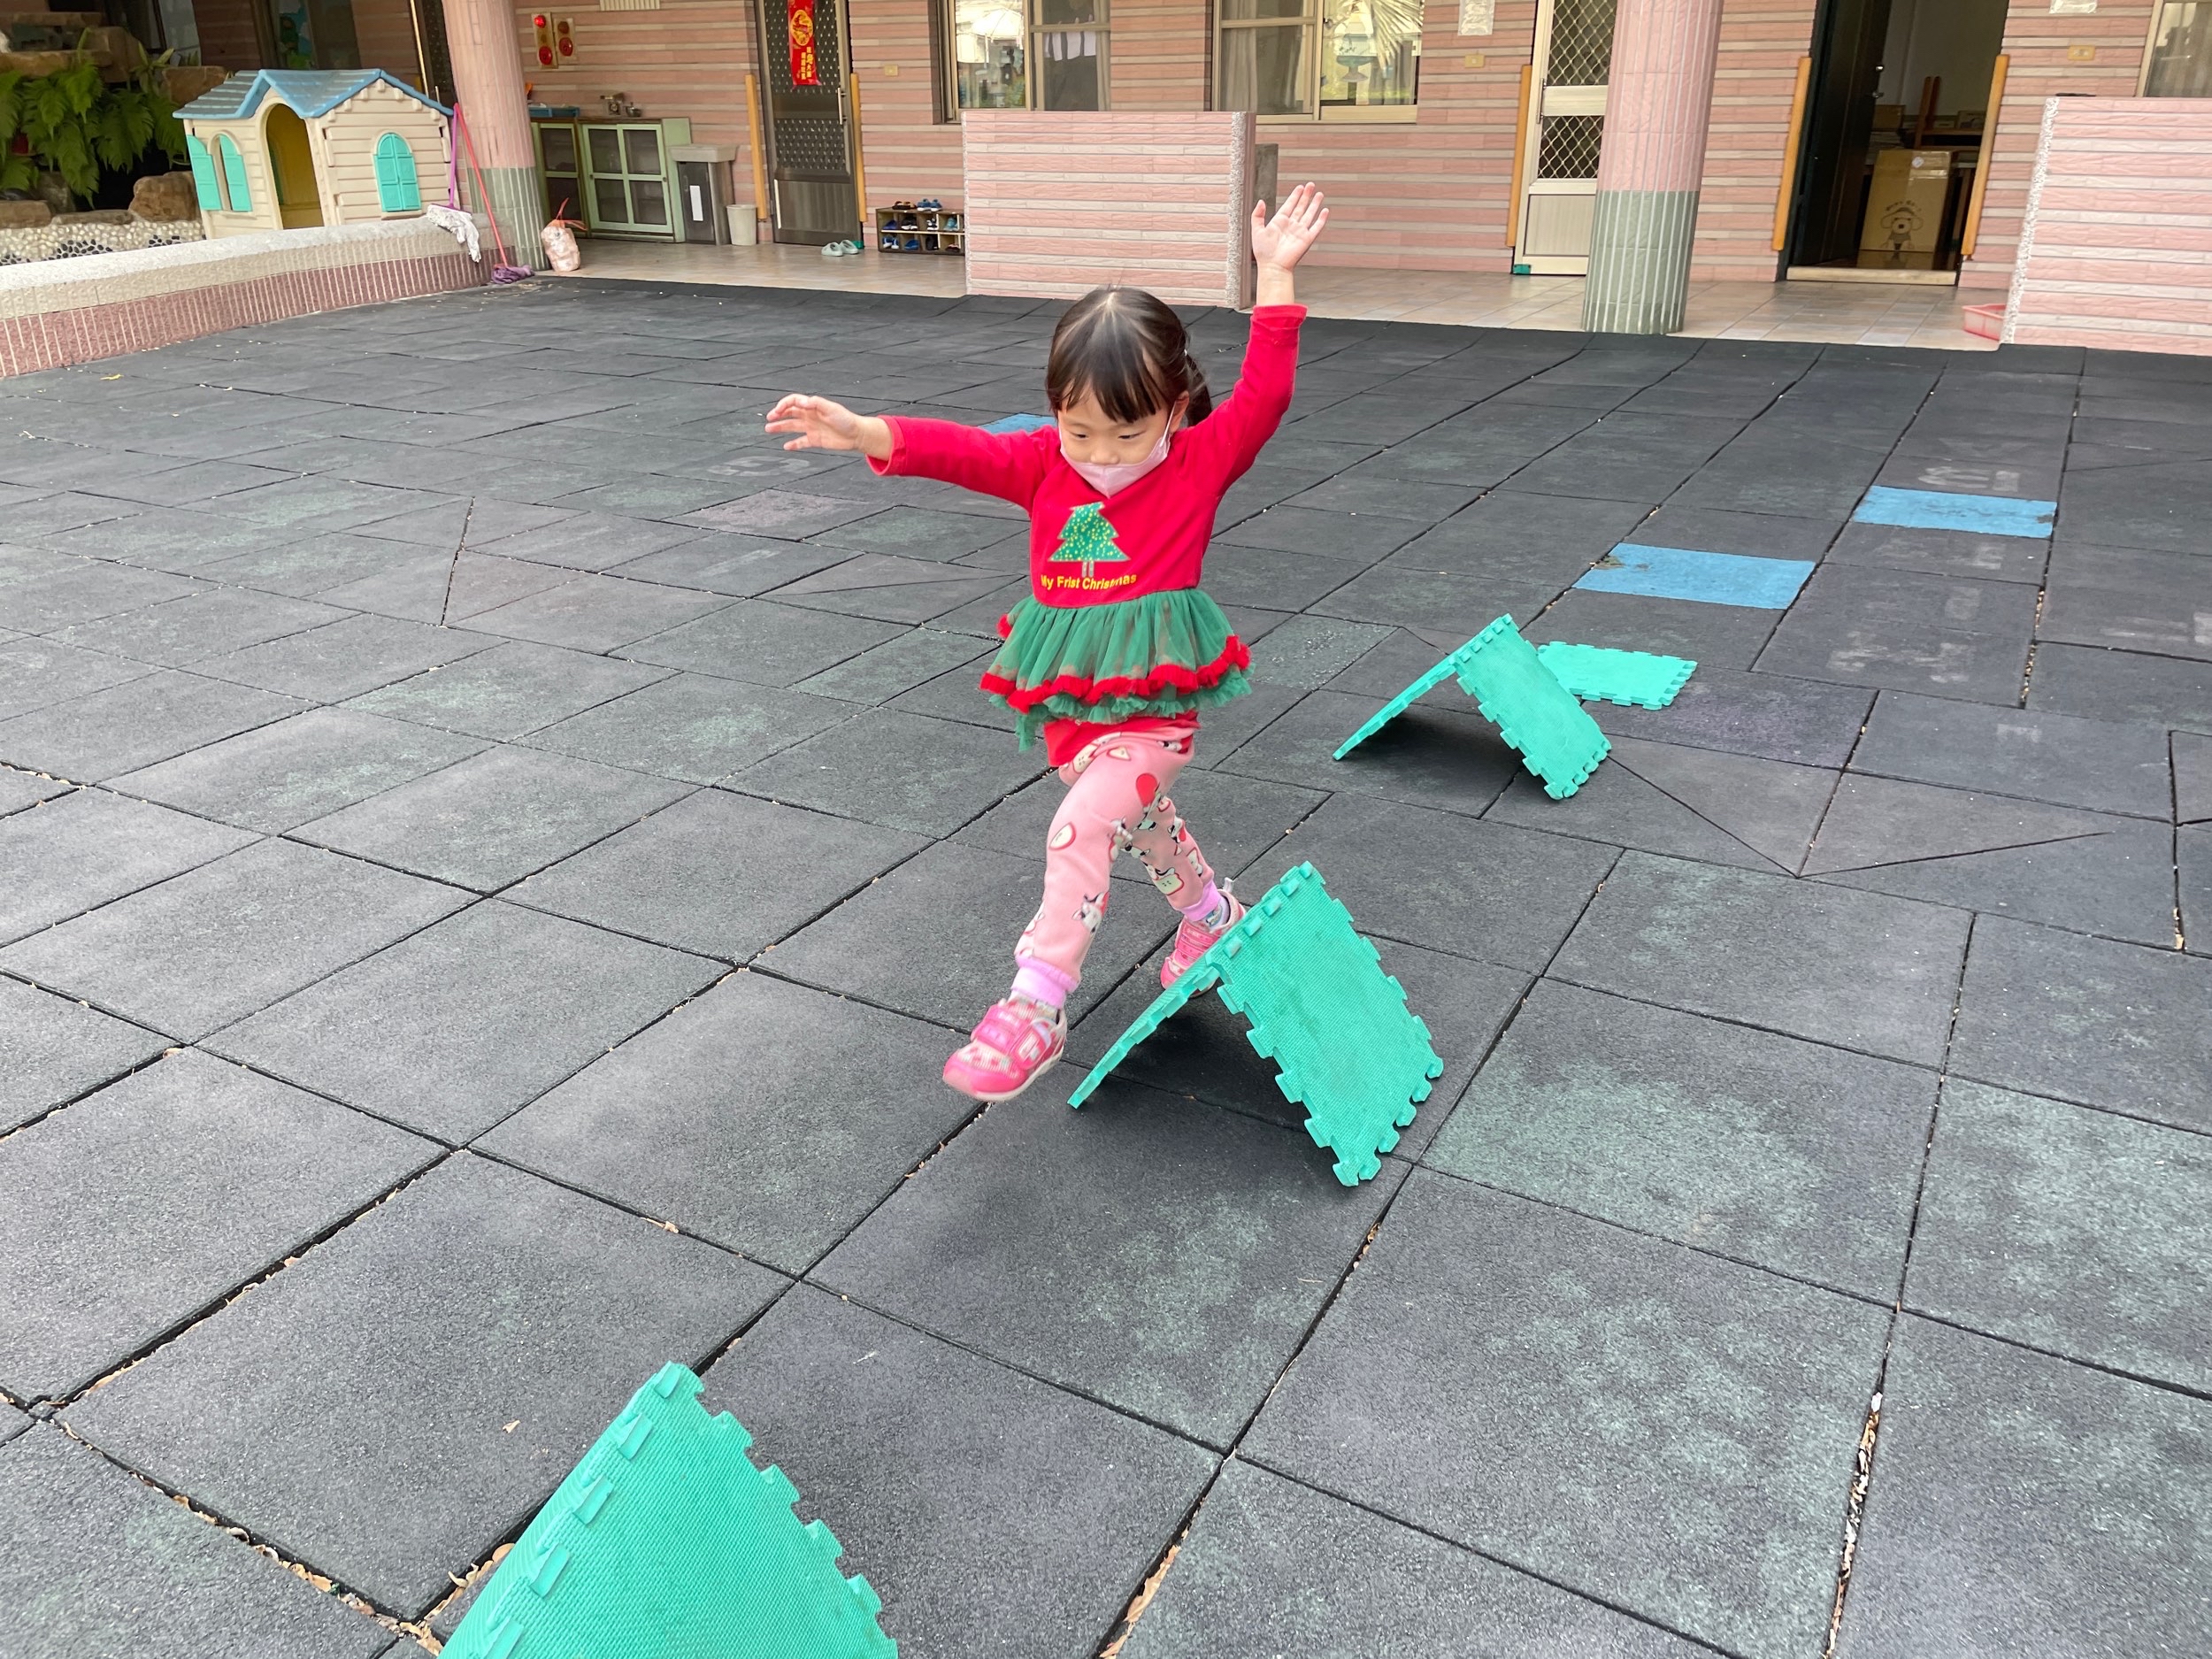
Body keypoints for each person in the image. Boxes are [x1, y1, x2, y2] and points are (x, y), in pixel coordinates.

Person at [766, 183, 1330, 1102]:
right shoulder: (1042, 464)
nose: (1100, 455)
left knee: (1081, 827)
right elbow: (957, 450)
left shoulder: (1198, 463)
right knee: (1137, 822)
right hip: (1072, 703)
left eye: (1126, 433)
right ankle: (1210, 914)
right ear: (1054, 409)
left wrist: (1274, 278)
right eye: (1079, 431)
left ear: (1173, 411)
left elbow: (1266, 394)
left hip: (1155, 706)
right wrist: (864, 431)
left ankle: (1037, 999)